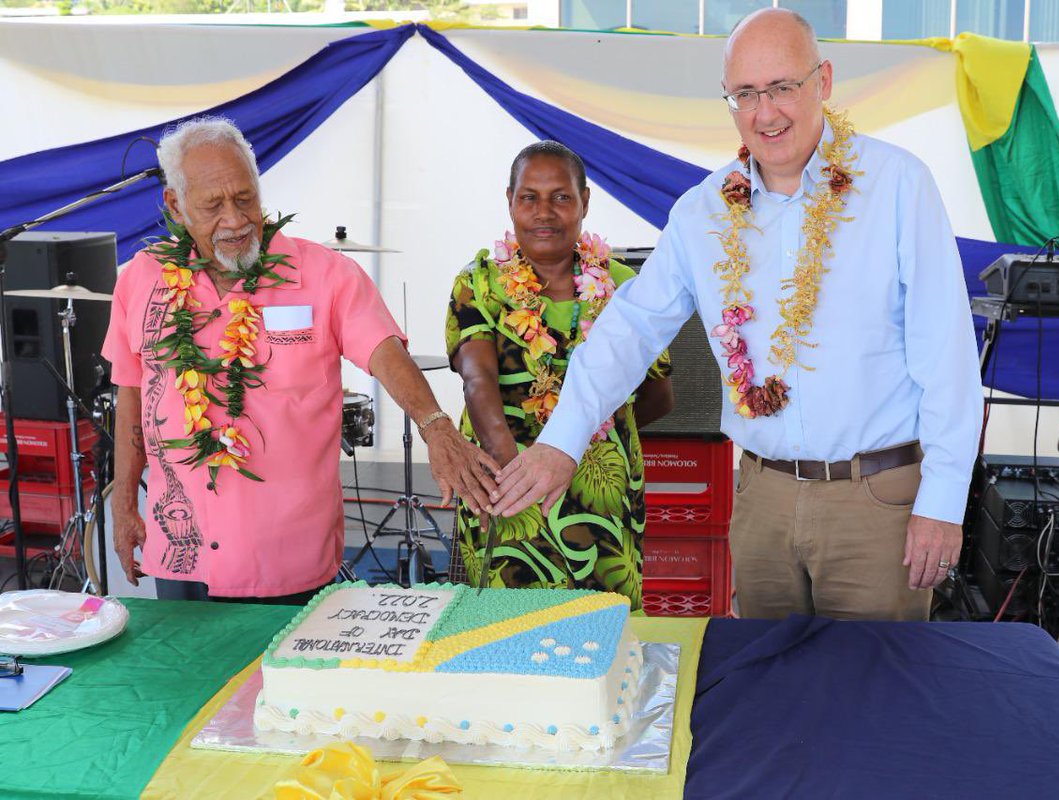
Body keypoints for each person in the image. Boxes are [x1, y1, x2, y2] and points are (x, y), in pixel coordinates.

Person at [491, 9, 983, 622]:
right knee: (765, 694)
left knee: (868, 699)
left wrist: (943, 501)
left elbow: (948, 356)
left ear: (823, 81)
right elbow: (632, 327)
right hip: (760, 495)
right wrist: (562, 442)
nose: (765, 111)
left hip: (878, 502)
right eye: (745, 94)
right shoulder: (704, 211)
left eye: (783, 87)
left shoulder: (898, 186)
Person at [103, 116, 498, 604]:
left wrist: (435, 425)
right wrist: (123, 498)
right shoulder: (142, 280)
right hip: (185, 556)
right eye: (213, 205)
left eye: (244, 197)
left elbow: (382, 350)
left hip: (290, 562)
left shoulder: (326, 274)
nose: (234, 219)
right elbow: (132, 391)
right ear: (175, 206)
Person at [445, 141, 673, 608]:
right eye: (529, 197)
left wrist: (588, 442)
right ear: (509, 200)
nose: (543, 211)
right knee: (506, 634)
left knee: (602, 632)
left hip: (601, 499)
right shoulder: (479, 282)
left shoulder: (622, 285)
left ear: (584, 201)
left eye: (560, 197)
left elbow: (658, 396)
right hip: (506, 489)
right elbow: (478, 381)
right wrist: (517, 474)